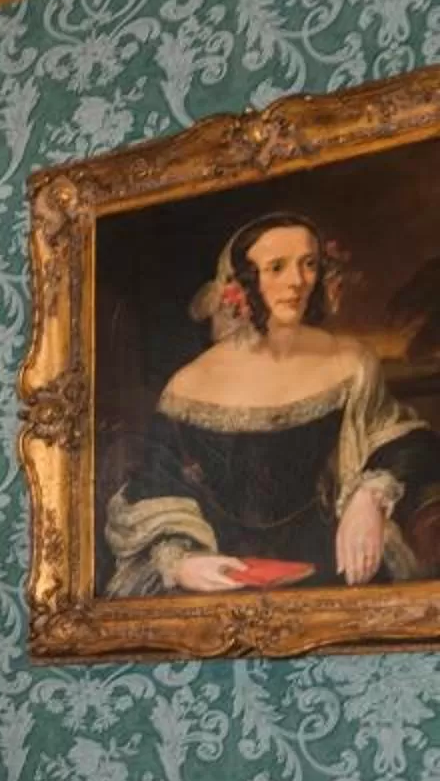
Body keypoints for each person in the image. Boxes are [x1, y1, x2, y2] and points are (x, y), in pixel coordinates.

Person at [103, 211, 440, 594]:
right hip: (221, 569)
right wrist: (182, 564)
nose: (297, 281)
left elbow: (405, 439)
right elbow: (156, 484)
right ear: (241, 284)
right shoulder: (189, 384)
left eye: (309, 264)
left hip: (336, 560)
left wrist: (369, 496)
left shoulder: (349, 361)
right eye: (277, 267)